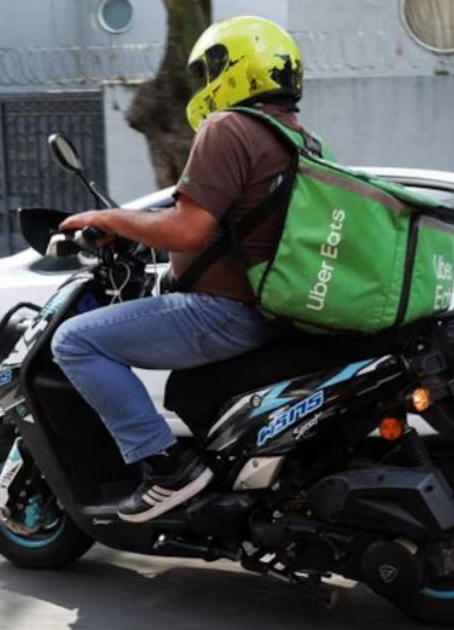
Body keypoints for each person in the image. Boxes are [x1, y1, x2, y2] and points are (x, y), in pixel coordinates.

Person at [53, 16, 310, 522]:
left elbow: (188, 229)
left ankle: (166, 469)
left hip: (223, 312)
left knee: (75, 342)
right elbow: (234, 227)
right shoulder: (297, 139)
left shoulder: (230, 127)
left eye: (210, 69)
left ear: (237, 67)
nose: (204, 83)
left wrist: (108, 218)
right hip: (270, 310)